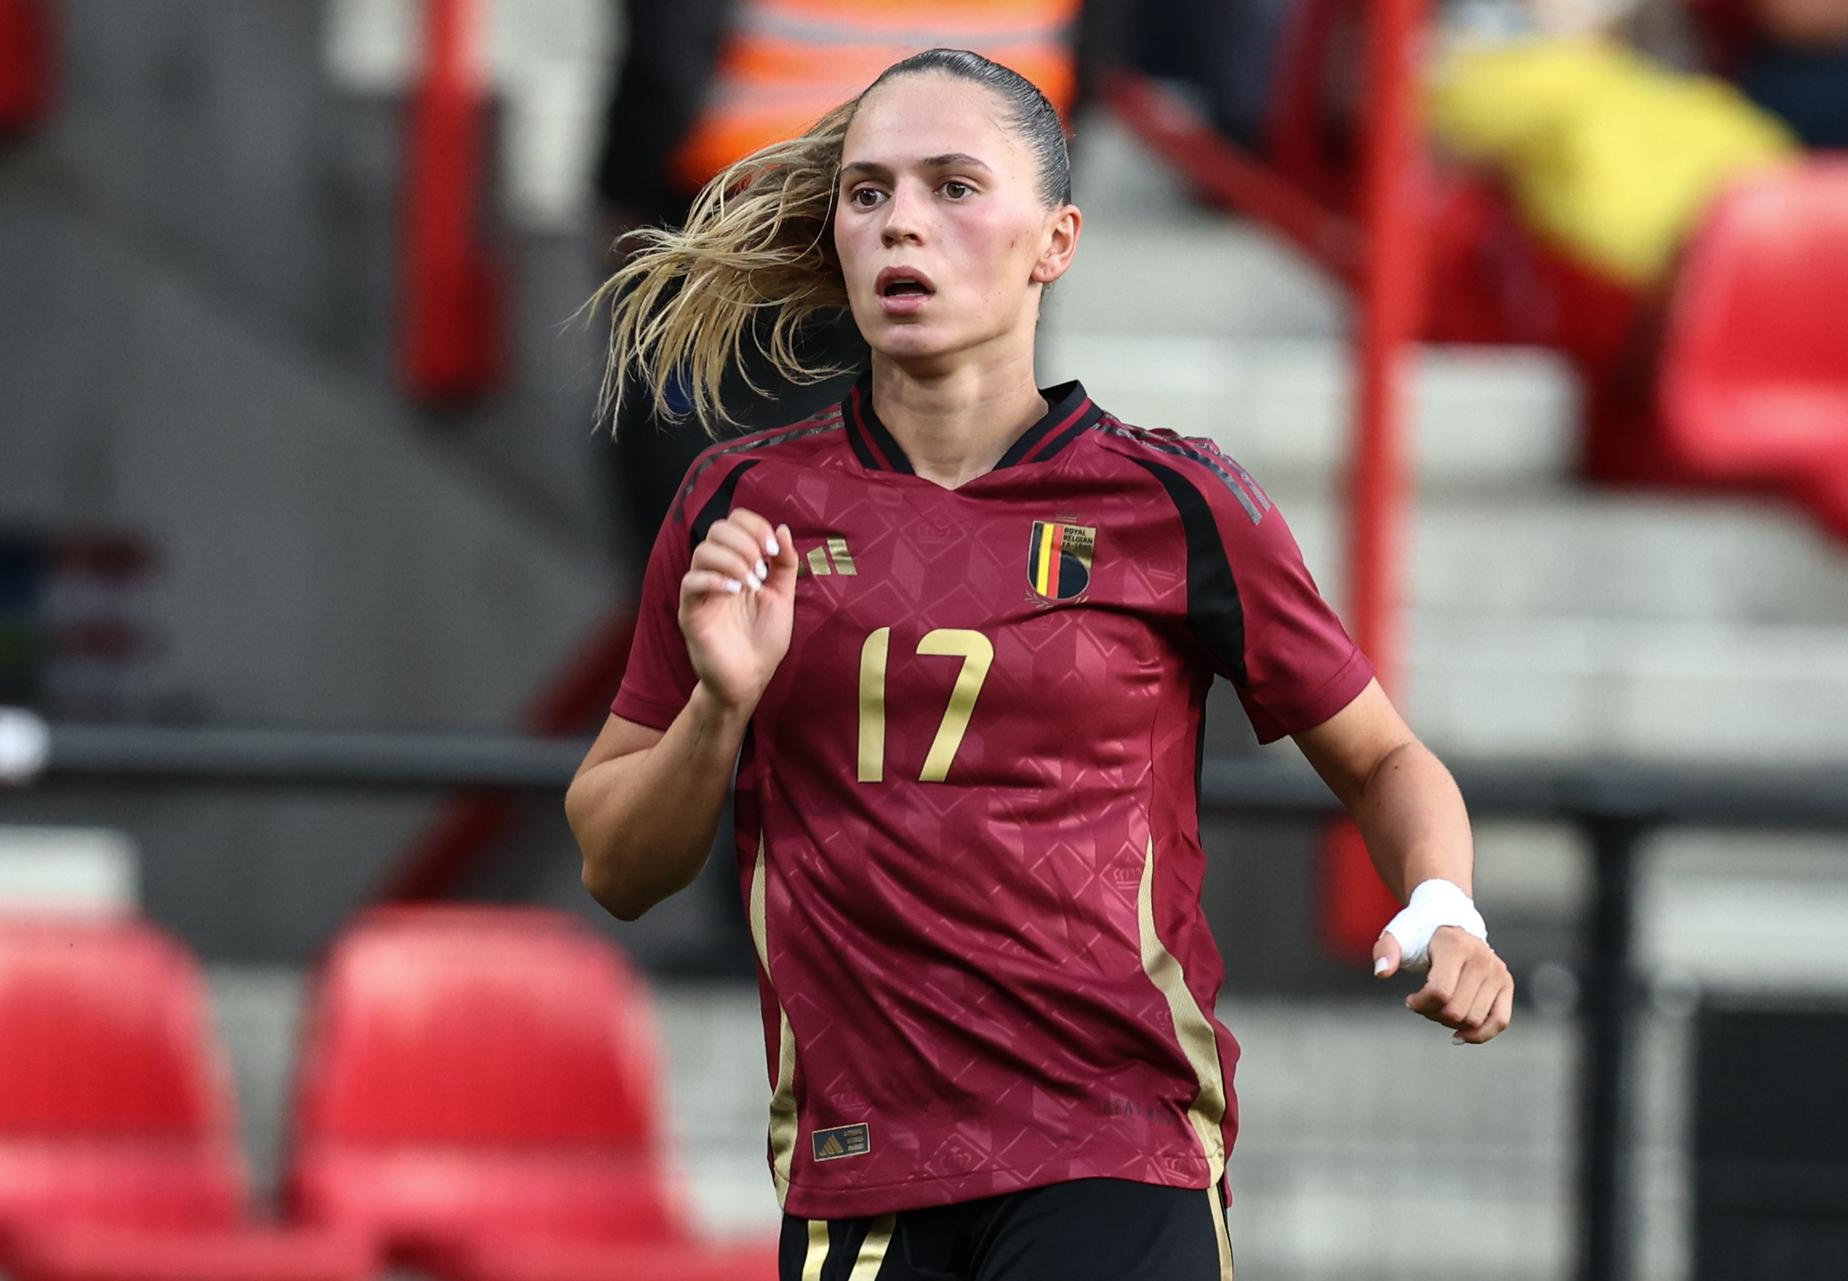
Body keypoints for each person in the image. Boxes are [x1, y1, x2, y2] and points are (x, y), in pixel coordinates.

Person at [566, 47, 1513, 1281]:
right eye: (869, 193)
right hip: (864, 1168)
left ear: (1054, 241)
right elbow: (615, 867)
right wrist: (720, 710)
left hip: (1113, 1144)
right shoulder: (743, 503)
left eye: (955, 186)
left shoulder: (1174, 501)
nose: (902, 219)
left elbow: (1383, 752)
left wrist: (1443, 903)